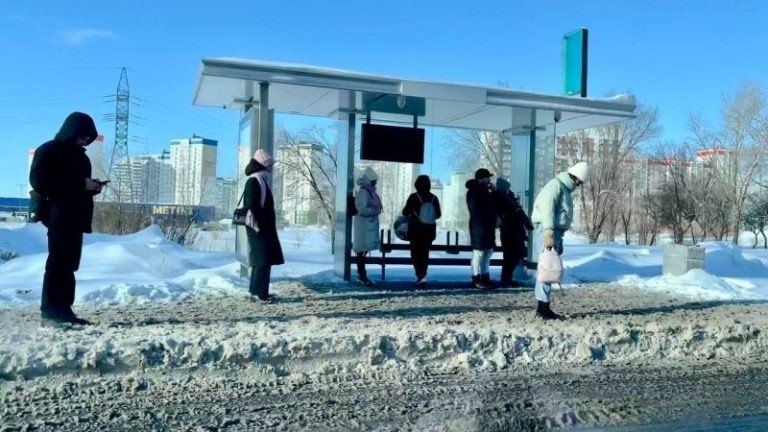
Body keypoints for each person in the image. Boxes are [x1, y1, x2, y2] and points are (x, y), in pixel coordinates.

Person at [29, 112, 103, 325]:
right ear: (71, 131)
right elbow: (39, 181)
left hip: (75, 217)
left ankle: (64, 310)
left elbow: (77, 186)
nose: (85, 141)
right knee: (58, 263)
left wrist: (92, 187)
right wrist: (81, 184)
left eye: (88, 138)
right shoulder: (49, 150)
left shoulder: (81, 157)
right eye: (82, 136)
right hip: (57, 215)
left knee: (69, 264)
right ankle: (51, 311)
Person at [530, 161, 589, 320]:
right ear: (575, 177)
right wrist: (549, 231)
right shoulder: (556, 186)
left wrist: (557, 236)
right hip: (547, 230)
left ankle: (543, 306)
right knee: (547, 268)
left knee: (549, 267)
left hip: (553, 231)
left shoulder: (562, 188)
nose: (578, 185)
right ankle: (543, 308)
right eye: (579, 182)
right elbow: (547, 209)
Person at [243, 149, 284, 302]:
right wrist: (261, 225)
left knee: (262, 260)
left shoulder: (261, 179)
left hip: (261, 227)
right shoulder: (254, 180)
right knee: (262, 260)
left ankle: (258, 292)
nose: (271, 168)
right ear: (263, 165)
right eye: (269, 165)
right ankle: (260, 294)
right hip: (258, 227)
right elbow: (252, 205)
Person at [401, 175, 442, 285]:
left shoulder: (413, 197)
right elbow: (438, 214)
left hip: (416, 231)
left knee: (415, 254)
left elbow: (405, 212)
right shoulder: (434, 198)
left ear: (417, 185)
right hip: (429, 231)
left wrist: (414, 213)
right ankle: (423, 274)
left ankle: (419, 275)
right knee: (425, 254)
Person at [495, 178, 534, 287]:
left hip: (515, 231)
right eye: (506, 188)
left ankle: (507, 278)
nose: (508, 189)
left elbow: (518, 212)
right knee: (509, 257)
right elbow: (509, 213)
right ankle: (506, 279)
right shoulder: (500, 197)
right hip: (508, 230)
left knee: (514, 255)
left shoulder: (509, 196)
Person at [465, 168, 498, 289]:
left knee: (487, 252)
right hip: (479, 226)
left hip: (485, 226)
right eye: (487, 177)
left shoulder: (483, 191)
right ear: (481, 179)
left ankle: (484, 277)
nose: (489, 180)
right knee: (478, 253)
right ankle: (476, 278)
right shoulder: (475, 192)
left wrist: (493, 193)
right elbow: (480, 209)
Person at [353, 167, 383, 285]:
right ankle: (362, 275)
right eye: (374, 181)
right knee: (361, 251)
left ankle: (362, 274)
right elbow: (362, 209)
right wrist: (375, 211)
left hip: (367, 226)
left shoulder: (369, 192)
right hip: (363, 227)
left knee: (363, 251)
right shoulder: (363, 192)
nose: (375, 183)